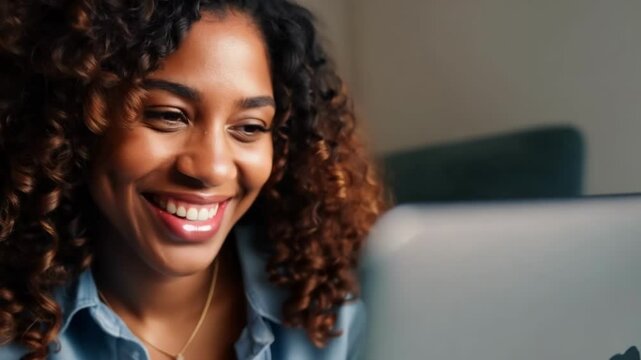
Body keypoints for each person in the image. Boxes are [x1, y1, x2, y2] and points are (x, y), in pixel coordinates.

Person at [0, 1, 387, 359]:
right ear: (76, 122)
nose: (212, 168)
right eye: (169, 116)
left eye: (250, 127)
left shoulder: (342, 315)